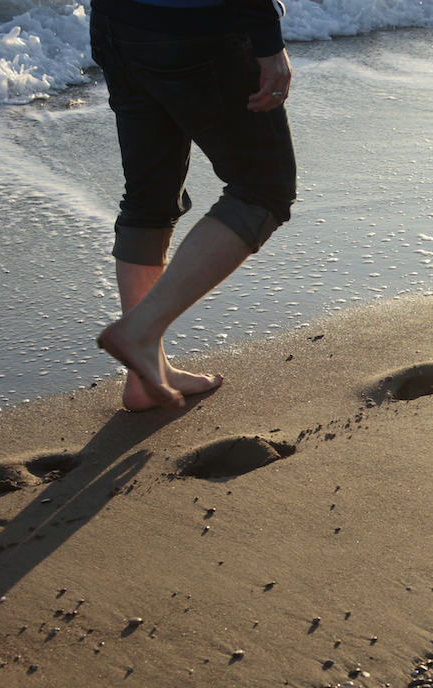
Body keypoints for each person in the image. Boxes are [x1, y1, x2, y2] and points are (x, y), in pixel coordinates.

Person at [90, 0, 297, 410]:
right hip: (198, 27)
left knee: (149, 198)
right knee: (264, 189)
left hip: (115, 23)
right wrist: (267, 39)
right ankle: (140, 332)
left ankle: (145, 377)